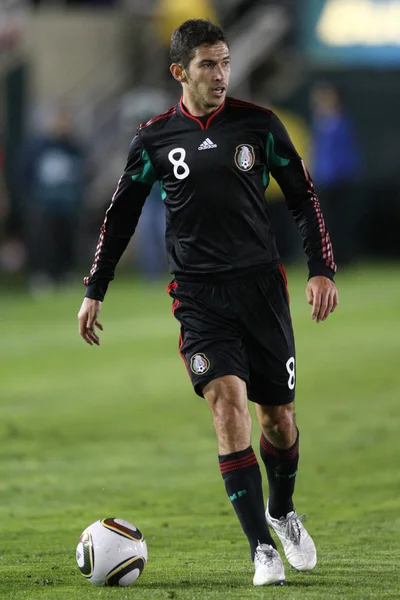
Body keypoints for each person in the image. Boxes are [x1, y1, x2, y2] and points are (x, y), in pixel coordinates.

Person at [78, 19, 339, 587]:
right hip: (198, 297)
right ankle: (259, 549)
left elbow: (302, 197)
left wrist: (321, 269)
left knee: (279, 421)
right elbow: (119, 215)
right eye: (208, 65)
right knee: (227, 409)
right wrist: (95, 288)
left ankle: (282, 510)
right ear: (180, 71)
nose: (221, 75)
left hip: (261, 290)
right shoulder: (153, 139)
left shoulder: (259, 125)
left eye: (225, 63)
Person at [19, 105, 86, 294]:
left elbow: (82, 173)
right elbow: (25, 174)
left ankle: (65, 273)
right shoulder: (38, 146)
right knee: (43, 240)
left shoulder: (74, 147)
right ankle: (41, 275)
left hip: (67, 202)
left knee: (67, 238)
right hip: (43, 202)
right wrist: (29, 197)